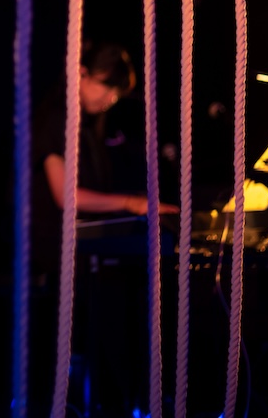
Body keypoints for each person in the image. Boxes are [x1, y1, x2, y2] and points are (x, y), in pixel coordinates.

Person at [29, 40, 177, 417]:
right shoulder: (56, 119)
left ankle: (128, 397)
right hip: (53, 248)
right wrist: (129, 204)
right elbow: (66, 195)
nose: (110, 99)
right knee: (110, 306)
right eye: (106, 86)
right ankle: (114, 400)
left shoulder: (88, 122)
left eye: (116, 93)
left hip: (82, 247)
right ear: (81, 73)